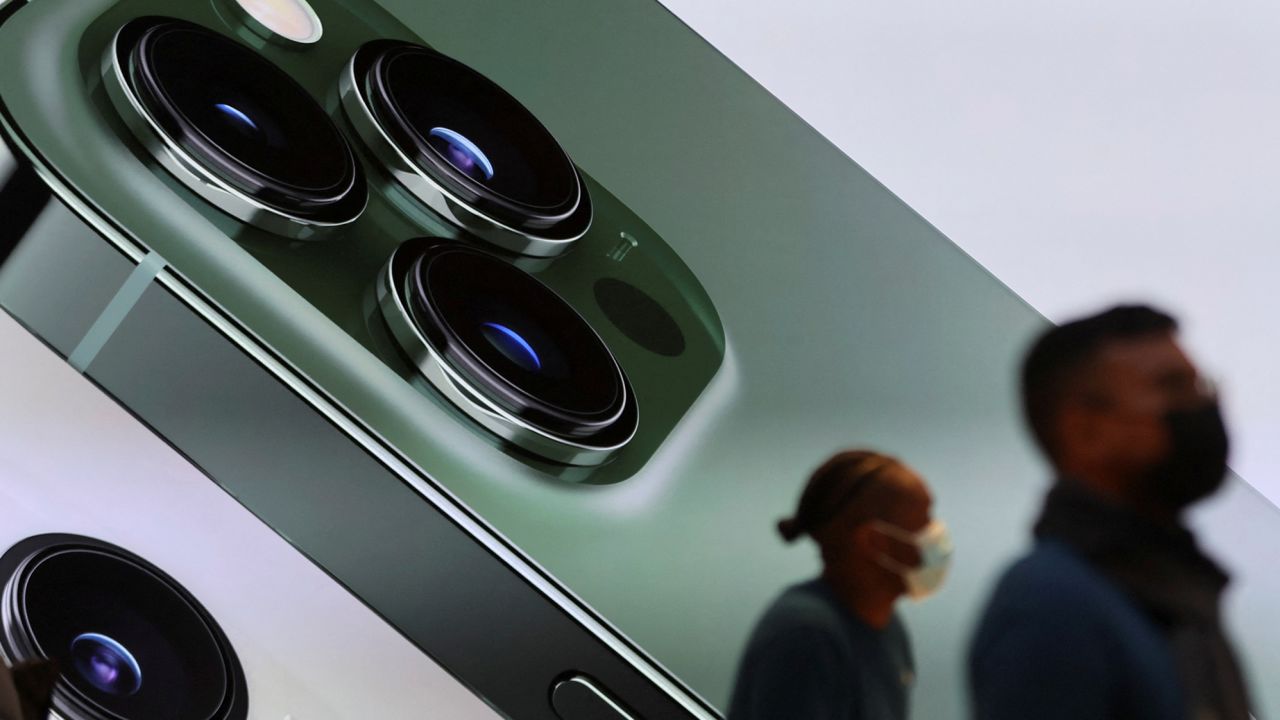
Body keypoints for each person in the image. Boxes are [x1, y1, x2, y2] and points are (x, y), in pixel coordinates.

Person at [969, 305, 1253, 720]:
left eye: (1200, 386)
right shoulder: (1051, 607)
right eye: (1173, 388)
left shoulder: (1173, 594)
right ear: (1084, 428)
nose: (1200, 407)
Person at [728, 450, 952, 720]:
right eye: (924, 520)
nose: (936, 533)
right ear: (873, 541)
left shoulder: (887, 624)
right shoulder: (805, 639)